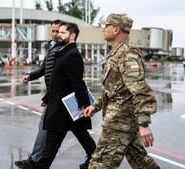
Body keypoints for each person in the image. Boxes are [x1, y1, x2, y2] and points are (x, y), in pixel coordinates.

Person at [82, 13, 160, 169]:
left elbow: (140, 89)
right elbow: (114, 90)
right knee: (141, 162)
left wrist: (144, 123)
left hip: (119, 123)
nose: (103, 29)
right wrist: (96, 106)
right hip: (122, 121)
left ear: (116, 29)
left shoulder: (127, 54)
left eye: (106, 26)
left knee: (99, 164)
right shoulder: (116, 53)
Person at [34, 21, 96, 169]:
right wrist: (46, 98)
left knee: (49, 150)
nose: (59, 35)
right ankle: (95, 161)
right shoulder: (63, 52)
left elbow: (77, 83)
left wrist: (84, 106)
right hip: (64, 109)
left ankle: (95, 161)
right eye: (58, 32)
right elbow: (58, 82)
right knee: (82, 137)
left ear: (72, 36)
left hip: (64, 110)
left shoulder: (72, 55)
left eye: (63, 33)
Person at [14, 19, 62, 169]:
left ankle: (35, 161)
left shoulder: (63, 49)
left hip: (59, 96)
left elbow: (59, 77)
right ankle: (35, 161)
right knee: (77, 131)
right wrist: (30, 76)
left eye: (58, 31)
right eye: (53, 31)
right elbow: (44, 69)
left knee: (46, 128)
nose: (55, 34)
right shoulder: (52, 47)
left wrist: (47, 97)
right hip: (54, 96)